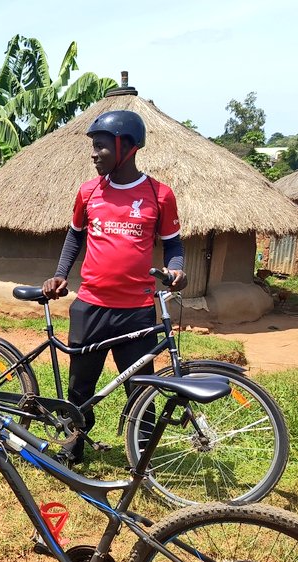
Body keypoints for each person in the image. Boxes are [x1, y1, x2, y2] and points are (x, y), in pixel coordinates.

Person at [42, 109, 187, 463]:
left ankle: (143, 456)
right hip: (90, 306)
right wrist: (61, 273)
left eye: (101, 147)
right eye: (93, 146)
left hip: (136, 312)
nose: (94, 154)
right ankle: (73, 446)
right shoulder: (89, 192)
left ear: (127, 147)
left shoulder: (160, 195)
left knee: (141, 388)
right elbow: (74, 236)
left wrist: (177, 269)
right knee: (80, 387)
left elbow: (174, 245)